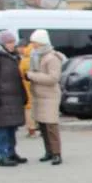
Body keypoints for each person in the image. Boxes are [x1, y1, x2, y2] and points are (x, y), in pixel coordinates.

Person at [0, 30, 28, 167]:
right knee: (2, 128)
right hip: (1, 98)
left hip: (14, 97)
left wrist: (23, 94)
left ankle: (11, 152)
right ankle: (2, 156)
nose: (12, 45)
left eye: (13, 42)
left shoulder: (14, 56)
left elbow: (18, 78)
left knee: (11, 128)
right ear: (3, 43)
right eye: (9, 42)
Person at [24, 29, 65, 165]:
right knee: (42, 125)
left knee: (51, 126)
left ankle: (57, 154)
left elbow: (53, 78)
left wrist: (31, 76)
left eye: (34, 42)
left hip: (50, 97)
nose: (33, 45)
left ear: (41, 42)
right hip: (39, 95)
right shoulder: (36, 56)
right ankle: (48, 152)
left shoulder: (52, 57)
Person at [17, 40, 38, 138]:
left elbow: (22, 73)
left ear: (23, 47)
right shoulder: (34, 55)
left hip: (27, 86)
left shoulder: (26, 59)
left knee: (29, 108)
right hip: (33, 86)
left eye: (19, 47)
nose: (17, 49)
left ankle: (32, 129)